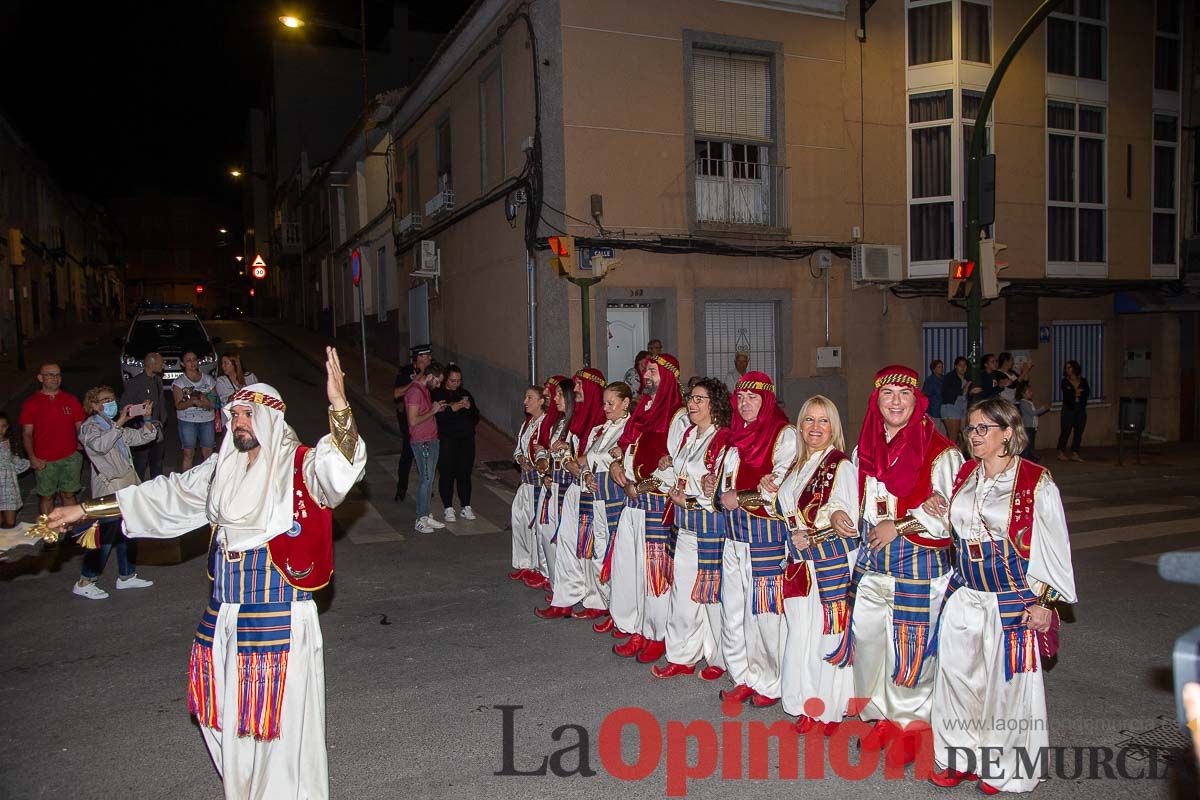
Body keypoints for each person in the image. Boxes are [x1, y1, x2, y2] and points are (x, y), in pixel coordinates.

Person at [46, 348, 366, 800]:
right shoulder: (222, 470)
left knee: (279, 734)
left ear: (270, 421)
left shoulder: (301, 467)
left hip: (279, 621)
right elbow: (164, 497)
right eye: (234, 413)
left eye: (247, 414)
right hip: (224, 619)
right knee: (224, 722)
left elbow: (341, 471)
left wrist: (339, 406)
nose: (238, 421)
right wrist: (85, 509)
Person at [922, 397, 1077, 793]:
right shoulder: (966, 475)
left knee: (1006, 690)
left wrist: (1044, 602)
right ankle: (958, 757)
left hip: (1009, 600)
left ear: (1008, 432)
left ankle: (1004, 767)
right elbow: (957, 528)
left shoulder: (1035, 481)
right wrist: (936, 510)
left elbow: (1053, 545)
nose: (973, 436)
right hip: (965, 593)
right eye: (970, 429)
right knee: (955, 680)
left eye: (982, 429)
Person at [834, 364, 963, 767]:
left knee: (912, 648)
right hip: (873, 565)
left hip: (919, 566)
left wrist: (902, 524)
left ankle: (911, 723)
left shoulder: (942, 452)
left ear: (917, 401)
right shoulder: (864, 448)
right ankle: (880, 716)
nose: (895, 401)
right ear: (877, 400)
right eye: (887, 393)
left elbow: (951, 516)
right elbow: (851, 497)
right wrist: (840, 513)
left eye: (903, 394)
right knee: (870, 642)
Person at [770, 395, 859, 734]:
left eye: (823, 421)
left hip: (829, 560)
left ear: (833, 427)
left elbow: (846, 515)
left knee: (828, 633)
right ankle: (806, 700)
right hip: (798, 562)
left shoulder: (840, 464)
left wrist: (826, 525)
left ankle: (829, 707)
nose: (815, 427)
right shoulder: (797, 465)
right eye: (809, 420)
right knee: (800, 634)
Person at [715, 371, 797, 708]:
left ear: (766, 401)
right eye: (741, 398)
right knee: (733, 608)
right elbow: (726, 484)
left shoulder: (784, 435)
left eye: (753, 397)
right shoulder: (735, 436)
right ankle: (743, 674)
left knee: (765, 613)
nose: (746, 404)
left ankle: (770, 680)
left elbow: (778, 486)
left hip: (764, 537)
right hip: (732, 535)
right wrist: (716, 490)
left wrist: (741, 496)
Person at [608, 352, 688, 664]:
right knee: (632, 569)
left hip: (656, 503)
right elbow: (627, 445)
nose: (647, 376)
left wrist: (637, 486)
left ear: (668, 376)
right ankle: (638, 626)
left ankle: (657, 634)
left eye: (653, 371)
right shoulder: (644, 407)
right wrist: (617, 465)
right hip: (632, 502)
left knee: (655, 573)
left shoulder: (678, 416)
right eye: (646, 371)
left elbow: (675, 466)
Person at [654, 377, 732, 680]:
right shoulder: (688, 434)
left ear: (715, 405)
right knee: (683, 592)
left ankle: (719, 658)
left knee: (712, 595)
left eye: (700, 399)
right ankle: (682, 655)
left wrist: (697, 494)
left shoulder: (722, 439)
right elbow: (682, 473)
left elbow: (721, 484)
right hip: (684, 523)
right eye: (691, 398)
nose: (692, 404)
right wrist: (668, 467)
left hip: (710, 525)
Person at [72, 385, 161, 600]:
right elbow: (100, 446)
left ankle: (126, 575)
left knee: (128, 530)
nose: (110, 403)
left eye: (112, 398)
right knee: (103, 535)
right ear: (93, 405)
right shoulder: (89, 427)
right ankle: (85, 580)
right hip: (109, 486)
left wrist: (147, 420)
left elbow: (142, 437)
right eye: (104, 400)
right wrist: (120, 422)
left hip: (126, 484)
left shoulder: (112, 425)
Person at [538, 368, 608, 619]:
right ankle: (564, 598)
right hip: (575, 491)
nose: (575, 390)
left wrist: (571, 458)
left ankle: (596, 600)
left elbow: (584, 462)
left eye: (579, 386)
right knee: (567, 545)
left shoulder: (600, 424)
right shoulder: (579, 421)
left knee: (588, 549)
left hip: (588, 492)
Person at [580, 381, 634, 635]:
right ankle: (607, 603)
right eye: (603, 402)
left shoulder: (629, 430)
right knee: (600, 551)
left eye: (611, 403)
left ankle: (620, 609)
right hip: (597, 497)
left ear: (626, 403)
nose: (605, 407)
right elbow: (588, 461)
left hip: (615, 498)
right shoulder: (599, 430)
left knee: (616, 555)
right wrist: (587, 476)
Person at [19, 362, 86, 515]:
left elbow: (81, 427)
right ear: (40, 378)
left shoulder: (70, 400)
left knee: (69, 494)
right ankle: (48, 530)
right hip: (44, 460)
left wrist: (84, 446)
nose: (55, 378)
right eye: (50, 375)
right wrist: (32, 457)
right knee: (46, 496)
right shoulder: (31, 403)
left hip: (70, 457)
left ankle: (70, 529)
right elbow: (27, 433)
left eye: (58, 375)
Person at [509, 385, 554, 588]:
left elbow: (545, 452)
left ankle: (541, 568)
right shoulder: (528, 422)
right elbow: (518, 448)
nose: (525, 401)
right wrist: (520, 458)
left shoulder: (546, 423)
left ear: (541, 401)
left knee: (537, 526)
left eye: (530, 397)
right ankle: (525, 562)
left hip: (538, 483)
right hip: (525, 482)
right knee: (520, 520)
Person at [532, 376, 574, 587]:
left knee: (562, 538)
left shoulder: (574, 423)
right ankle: (554, 580)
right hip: (553, 483)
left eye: (559, 395)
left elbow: (574, 456)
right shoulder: (558, 423)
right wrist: (546, 469)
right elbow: (548, 453)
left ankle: (563, 586)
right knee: (546, 531)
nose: (554, 399)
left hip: (566, 486)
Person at [431, 364, 480, 522]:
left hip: (466, 440)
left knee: (464, 474)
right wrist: (452, 408)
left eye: (458, 381)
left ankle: (466, 506)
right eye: (452, 380)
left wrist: (469, 407)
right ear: (445, 379)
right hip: (446, 440)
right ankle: (448, 507)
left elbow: (476, 417)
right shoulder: (437, 394)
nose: (456, 384)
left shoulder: (465, 394)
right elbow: (435, 418)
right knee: (447, 473)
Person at [406, 361, 447, 533]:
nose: (438, 385)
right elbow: (413, 420)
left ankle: (426, 514)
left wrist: (435, 409)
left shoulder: (424, 390)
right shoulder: (415, 392)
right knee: (426, 479)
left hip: (430, 439)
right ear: (429, 376)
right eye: (437, 381)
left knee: (429, 479)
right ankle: (420, 518)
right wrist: (433, 410)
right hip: (422, 441)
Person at [119, 351, 167, 480]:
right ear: (151, 364)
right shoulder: (136, 383)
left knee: (157, 463)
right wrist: (141, 410)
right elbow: (124, 407)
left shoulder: (157, 380)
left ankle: (157, 491)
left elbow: (161, 402)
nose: (164, 365)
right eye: (161, 362)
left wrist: (162, 420)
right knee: (141, 463)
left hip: (156, 428)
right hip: (141, 429)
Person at [393, 345, 432, 501]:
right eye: (426, 356)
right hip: (409, 419)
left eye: (429, 356)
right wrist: (416, 381)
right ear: (419, 358)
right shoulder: (405, 372)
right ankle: (402, 488)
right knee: (408, 453)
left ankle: (427, 487)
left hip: (427, 417)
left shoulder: (432, 372)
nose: (429, 358)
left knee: (427, 454)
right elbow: (396, 393)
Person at [173, 351, 217, 471]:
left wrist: (203, 402)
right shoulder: (179, 382)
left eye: (194, 359)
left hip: (207, 420)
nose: (192, 363)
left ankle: (208, 480)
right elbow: (178, 405)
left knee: (208, 453)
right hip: (187, 421)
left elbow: (215, 402)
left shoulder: (208, 380)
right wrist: (192, 402)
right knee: (189, 453)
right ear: (183, 364)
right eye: (188, 360)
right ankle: (187, 483)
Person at [0, 411, 30, 528]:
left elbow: (14, 460)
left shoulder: (9, 443)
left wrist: (30, 463)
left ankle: (9, 531)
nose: (0, 430)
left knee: (10, 521)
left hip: (8, 487)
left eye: (3, 426)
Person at [1057, 360, 1090, 462]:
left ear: (1074, 368)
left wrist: (1077, 394)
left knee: (1079, 430)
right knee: (1066, 430)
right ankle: (1061, 452)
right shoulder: (1065, 381)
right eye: (1066, 368)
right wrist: (1075, 393)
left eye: (1069, 367)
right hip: (1068, 409)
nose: (1067, 370)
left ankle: (1075, 452)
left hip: (1080, 408)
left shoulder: (1083, 381)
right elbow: (1067, 395)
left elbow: (1086, 393)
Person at [941, 357, 971, 445]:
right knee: (953, 437)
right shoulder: (950, 377)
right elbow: (946, 392)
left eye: (964, 365)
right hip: (951, 406)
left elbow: (968, 393)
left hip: (963, 406)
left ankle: (959, 455)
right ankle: (950, 457)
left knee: (966, 435)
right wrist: (963, 390)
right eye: (960, 365)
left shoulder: (967, 377)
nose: (962, 367)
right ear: (955, 366)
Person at [1016, 382, 1048, 462]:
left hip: (1031, 427)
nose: (1031, 393)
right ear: (1023, 393)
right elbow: (1033, 413)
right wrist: (1043, 408)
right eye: (1029, 391)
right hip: (1028, 427)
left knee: (1030, 445)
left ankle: (1030, 458)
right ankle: (1026, 459)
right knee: (1027, 445)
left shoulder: (1028, 402)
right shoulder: (1024, 403)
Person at [922, 360, 945, 433]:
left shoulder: (945, 379)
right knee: (936, 432)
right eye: (939, 367)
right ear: (933, 369)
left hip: (944, 410)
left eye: (942, 367)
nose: (941, 369)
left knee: (944, 434)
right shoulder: (930, 380)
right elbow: (924, 395)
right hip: (934, 411)